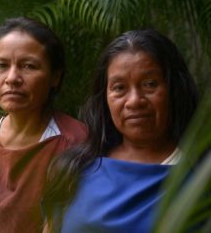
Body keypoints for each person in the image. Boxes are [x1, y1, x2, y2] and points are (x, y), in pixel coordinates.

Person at [43, 29, 199, 233]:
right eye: (119, 88)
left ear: (174, 88)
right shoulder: (73, 169)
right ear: (104, 97)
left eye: (150, 84)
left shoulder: (206, 173)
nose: (134, 101)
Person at [0, 17, 88, 233]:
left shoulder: (75, 141)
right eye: (1, 65)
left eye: (28, 66)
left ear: (55, 76)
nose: (12, 78)